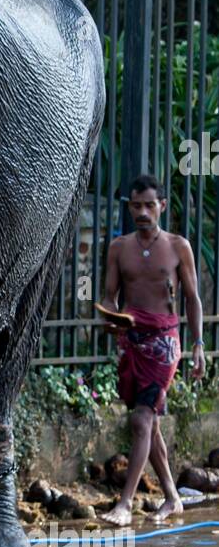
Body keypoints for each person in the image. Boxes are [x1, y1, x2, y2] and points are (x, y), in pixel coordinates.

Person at [100, 174, 205, 527]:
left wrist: (199, 345)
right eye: (136, 206)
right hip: (132, 342)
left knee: (142, 420)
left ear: (162, 205)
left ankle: (125, 504)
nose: (142, 212)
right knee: (152, 426)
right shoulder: (119, 248)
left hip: (164, 343)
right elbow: (109, 295)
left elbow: (192, 298)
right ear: (129, 207)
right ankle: (173, 498)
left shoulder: (178, 247)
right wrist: (110, 317)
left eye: (149, 205)